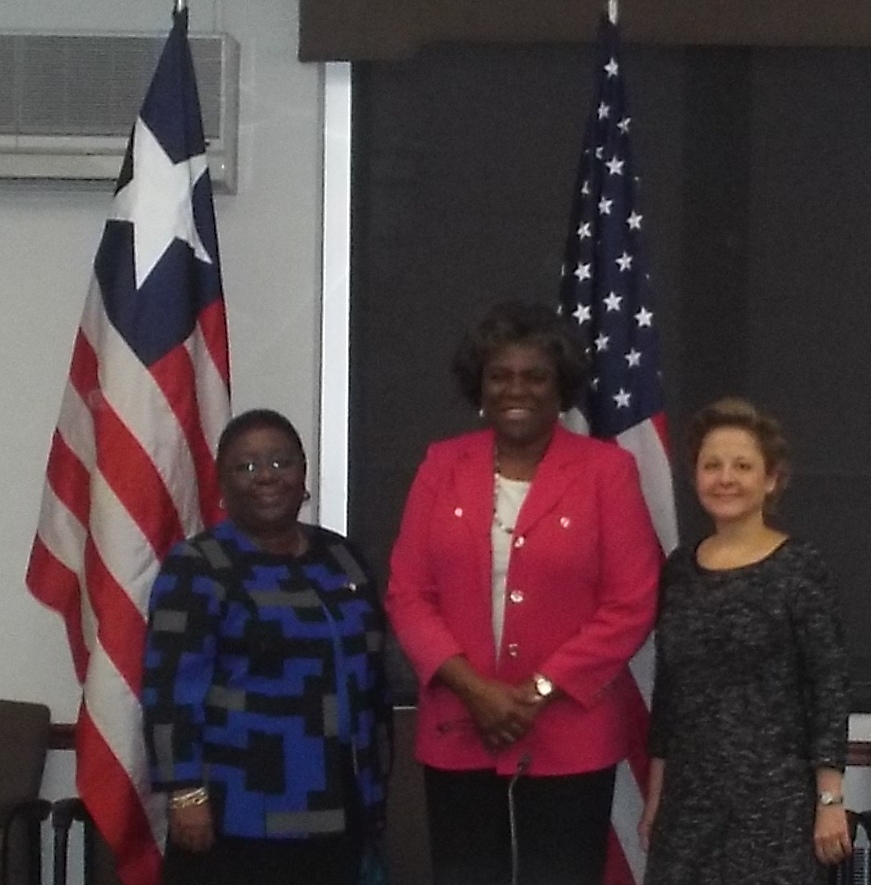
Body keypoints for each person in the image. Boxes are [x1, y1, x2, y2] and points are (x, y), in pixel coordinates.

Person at [384, 301, 662, 885]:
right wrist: (477, 691)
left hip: (568, 734)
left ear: (560, 388)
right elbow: (408, 594)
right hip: (459, 725)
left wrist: (535, 692)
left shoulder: (606, 472)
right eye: (501, 375)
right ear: (480, 387)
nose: (518, 389)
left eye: (535, 376)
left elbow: (631, 604)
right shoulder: (442, 465)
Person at [142, 409, 392, 885]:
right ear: (222, 482)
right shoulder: (198, 566)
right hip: (240, 813)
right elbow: (169, 690)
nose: (267, 477)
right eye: (247, 466)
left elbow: (371, 674)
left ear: (304, 475)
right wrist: (185, 793)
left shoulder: (342, 558)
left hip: (346, 803)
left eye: (281, 462)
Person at [639, 397, 851, 885]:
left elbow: (829, 686)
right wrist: (656, 797)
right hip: (687, 809)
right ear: (694, 477)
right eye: (711, 465)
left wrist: (830, 800)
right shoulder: (678, 570)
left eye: (742, 465)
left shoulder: (800, 567)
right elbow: (669, 693)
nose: (725, 478)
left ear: (771, 479)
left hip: (776, 807)